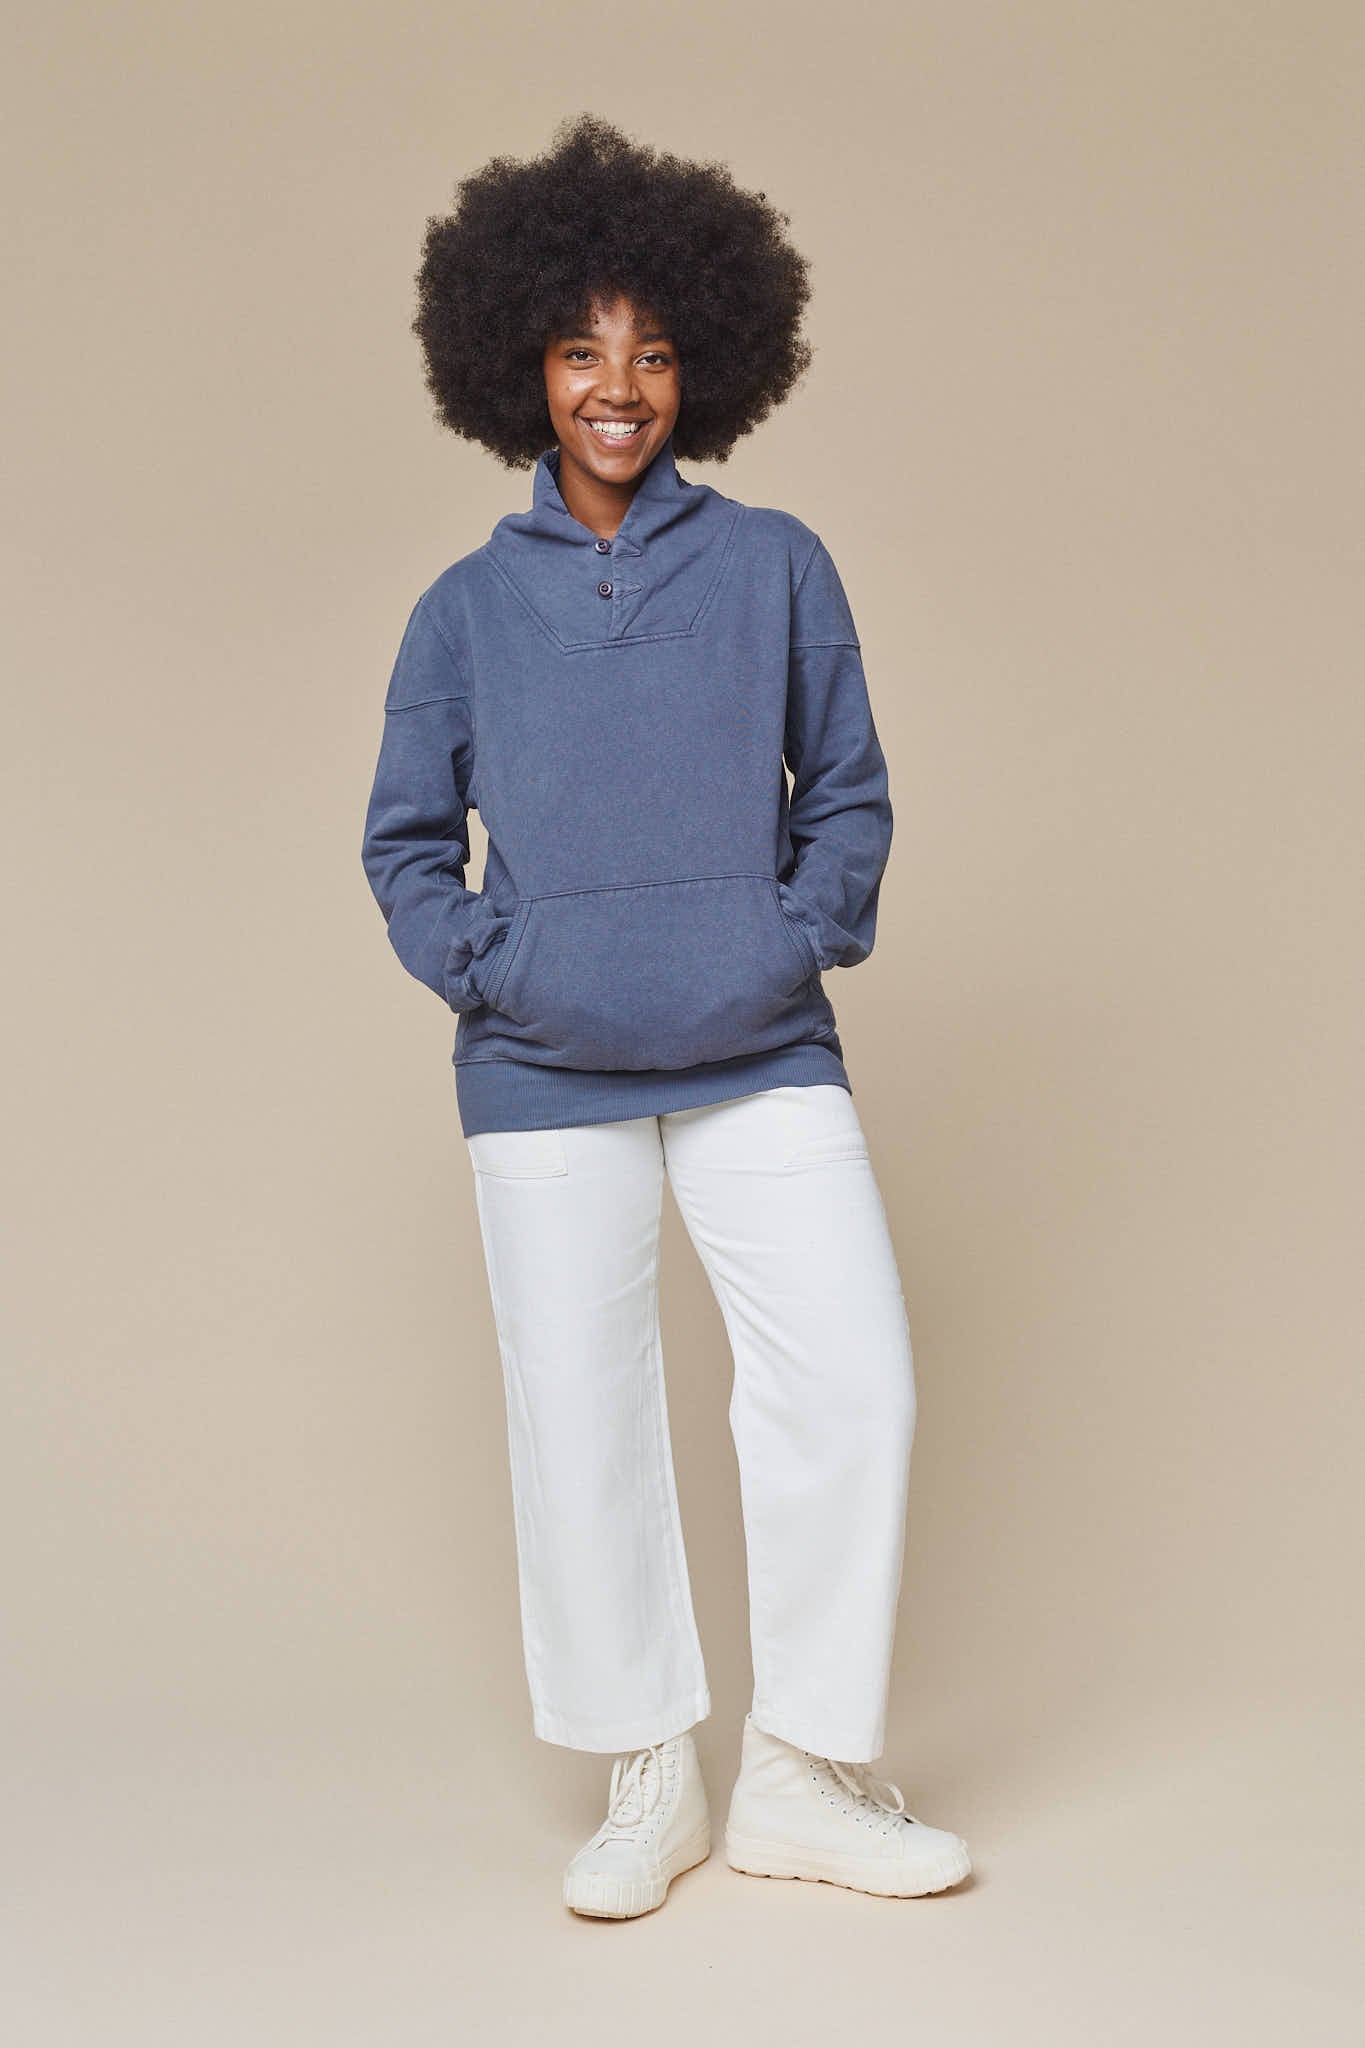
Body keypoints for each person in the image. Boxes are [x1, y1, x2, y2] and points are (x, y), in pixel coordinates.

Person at [361, 112, 971, 1918]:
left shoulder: (775, 563)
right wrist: (500, 967)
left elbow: (845, 793)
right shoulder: (463, 610)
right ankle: (650, 1777)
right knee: (581, 1420)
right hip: (539, 1069)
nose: (615, 389)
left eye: (649, 353)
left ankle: (798, 1775)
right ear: (521, 369)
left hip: (759, 1048)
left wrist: (787, 943)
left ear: (704, 367)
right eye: (578, 351)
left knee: (852, 1385)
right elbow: (404, 845)